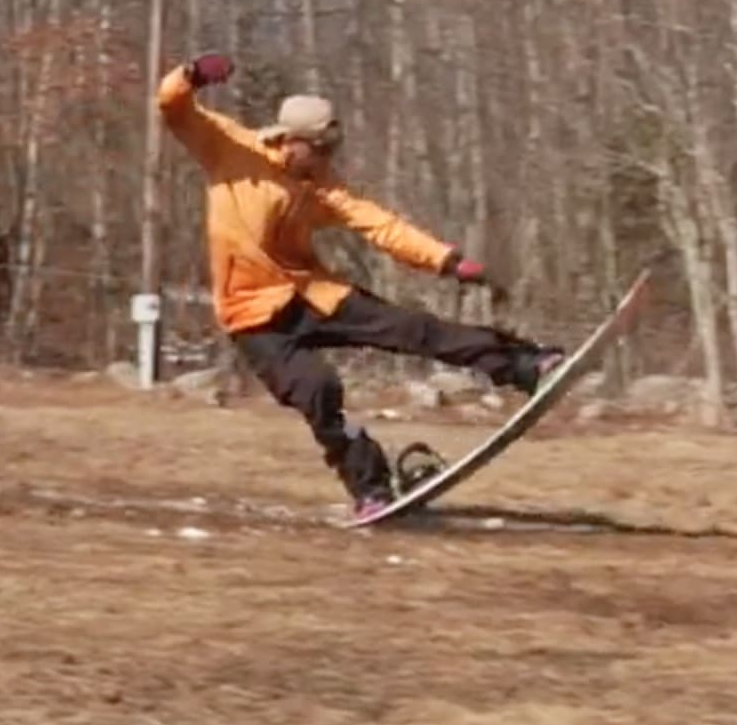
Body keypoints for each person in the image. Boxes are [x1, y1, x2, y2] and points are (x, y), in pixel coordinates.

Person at [156, 51, 563, 520]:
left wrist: (447, 261)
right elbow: (172, 105)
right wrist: (192, 74)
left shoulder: (322, 184)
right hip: (253, 319)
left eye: (332, 150)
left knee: (413, 329)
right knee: (318, 391)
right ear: (293, 140)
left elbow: (380, 226)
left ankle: (524, 364)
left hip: (313, 294)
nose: (327, 159)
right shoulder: (230, 148)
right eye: (320, 149)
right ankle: (371, 488)